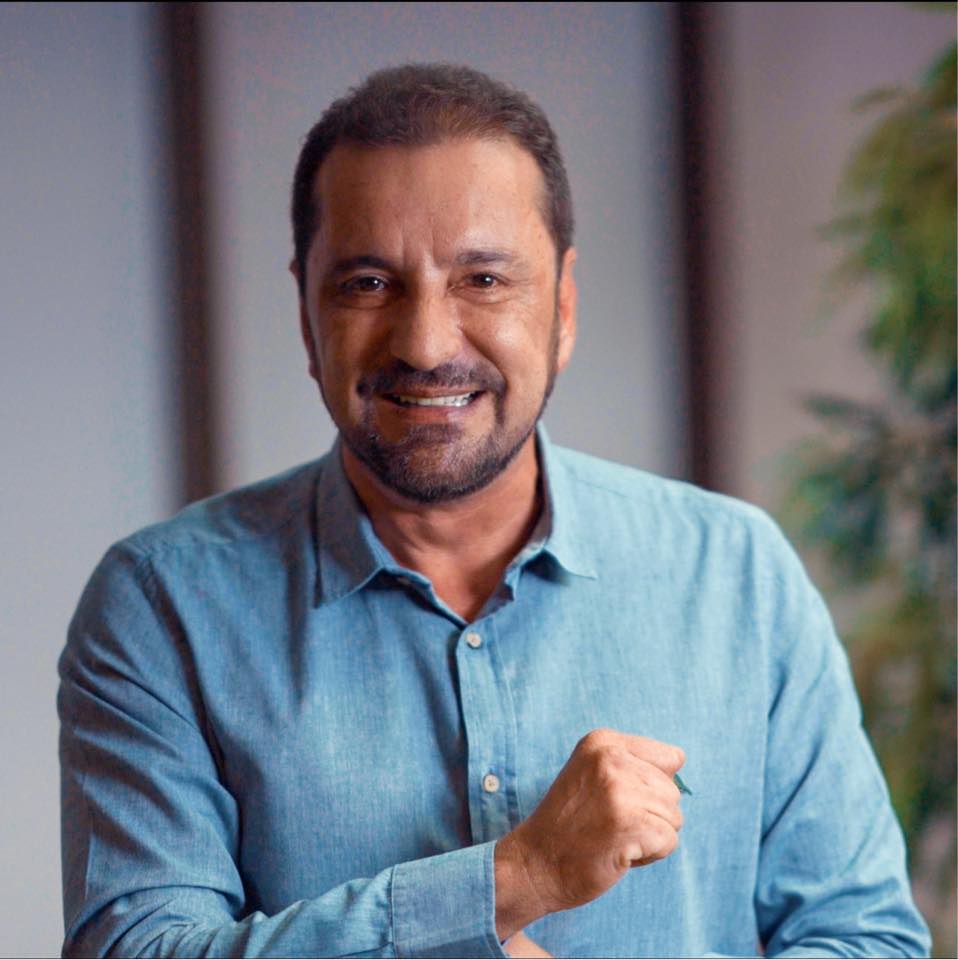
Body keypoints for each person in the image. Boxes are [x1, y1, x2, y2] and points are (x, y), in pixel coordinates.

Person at [59, 63, 930, 958]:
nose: (425, 343)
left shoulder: (736, 573)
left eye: (481, 279)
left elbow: (867, 941)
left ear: (563, 308)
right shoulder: (162, 604)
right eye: (368, 284)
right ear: (306, 312)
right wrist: (517, 878)